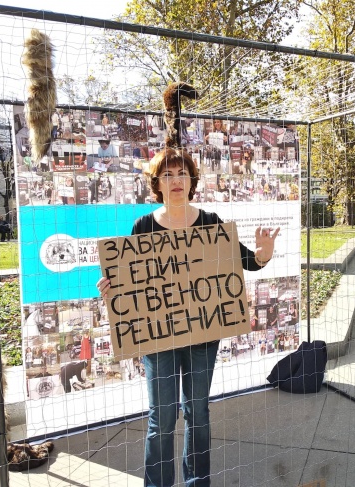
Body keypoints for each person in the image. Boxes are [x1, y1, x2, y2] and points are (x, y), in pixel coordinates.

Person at [97, 148, 279, 487]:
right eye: (167, 175)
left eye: (181, 173)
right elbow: (131, 281)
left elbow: (246, 262)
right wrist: (111, 288)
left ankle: (197, 483)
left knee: (198, 414)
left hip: (203, 337)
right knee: (161, 419)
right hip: (158, 340)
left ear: (191, 181)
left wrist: (263, 255)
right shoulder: (144, 225)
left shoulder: (211, 221)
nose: (175, 180)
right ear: (157, 184)